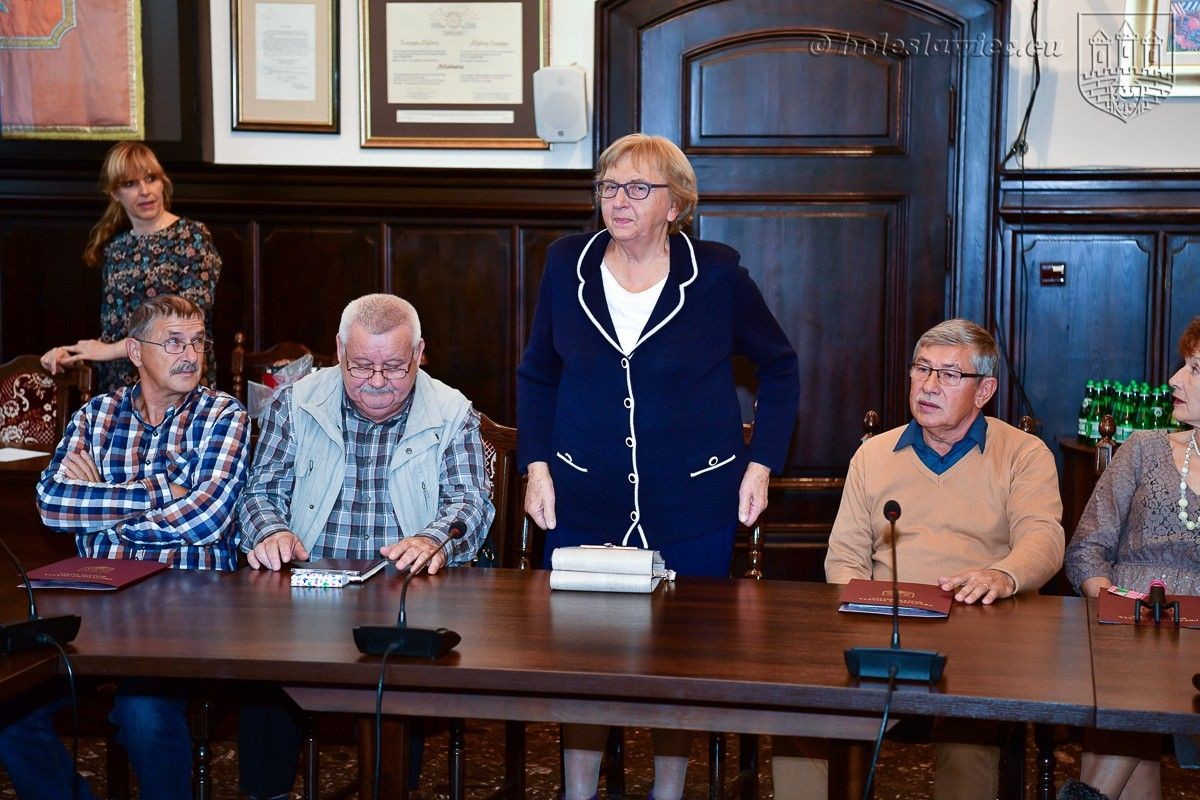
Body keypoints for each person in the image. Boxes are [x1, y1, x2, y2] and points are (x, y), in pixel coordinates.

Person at [517, 133, 800, 800]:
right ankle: (579, 792)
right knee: (582, 665)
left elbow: (780, 365)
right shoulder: (566, 264)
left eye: (638, 188)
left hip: (694, 501)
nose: (619, 200)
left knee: (683, 663)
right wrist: (536, 465)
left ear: (678, 204)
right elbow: (537, 374)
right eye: (610, 186)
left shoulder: (719, 275)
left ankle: (667, 791)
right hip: (584, 494)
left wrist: (762, 465)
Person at [783, 318, 1064, 800]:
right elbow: (845, 557)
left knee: (969, 734)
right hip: (880, 626)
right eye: (922, 369)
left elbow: (1044, 538)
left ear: (985, 390)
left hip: (979, 634)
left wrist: (1003, 574)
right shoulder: (873, 456)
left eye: (949, 375)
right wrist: (860, 613)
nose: (929, 385)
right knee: (798, 717)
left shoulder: (1023, 454)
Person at [236, 292, 494, 799]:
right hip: (306, 589)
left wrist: (434, 538)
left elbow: (471, 504)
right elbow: (259, 492)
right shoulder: (296, 402)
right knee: (263, 669)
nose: (377, 381)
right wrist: (269, 531)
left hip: (402, 594)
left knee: (398, 678)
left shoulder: (452, 411)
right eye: (361, 366)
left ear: (420, 353)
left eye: (395, 367)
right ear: (337, 351)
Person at [0, 295, 249, 799]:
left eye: (197, 342)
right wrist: (160, 491)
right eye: (174, 342)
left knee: (142, 715)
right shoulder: (97, 416)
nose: (190, 354)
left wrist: (104, 514)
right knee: (9, 711)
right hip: (96, 604)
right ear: (135, 352)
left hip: (188, 603)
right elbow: (51, 504)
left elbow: (206, 519)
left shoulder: (224, 414)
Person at [1062, 316, 1200, 800]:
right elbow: (1086, 550)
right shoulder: (1142, 448)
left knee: (1139, 698)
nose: (1174, 380)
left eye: (1195, 370)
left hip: (1197, 646)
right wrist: (1118, 602)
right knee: (1136, 679)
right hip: (1124, 629)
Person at [40, 141, 221, 392]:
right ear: (115, 193)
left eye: (151, 178)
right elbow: (114, 331)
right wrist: (70, 354)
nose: (145, 191)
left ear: (163, 182)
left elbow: (186, 323)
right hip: (120, 390)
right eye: (130, 183)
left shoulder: (192, 236)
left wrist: (107, 351)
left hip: (177, 384)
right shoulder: (115, 248)